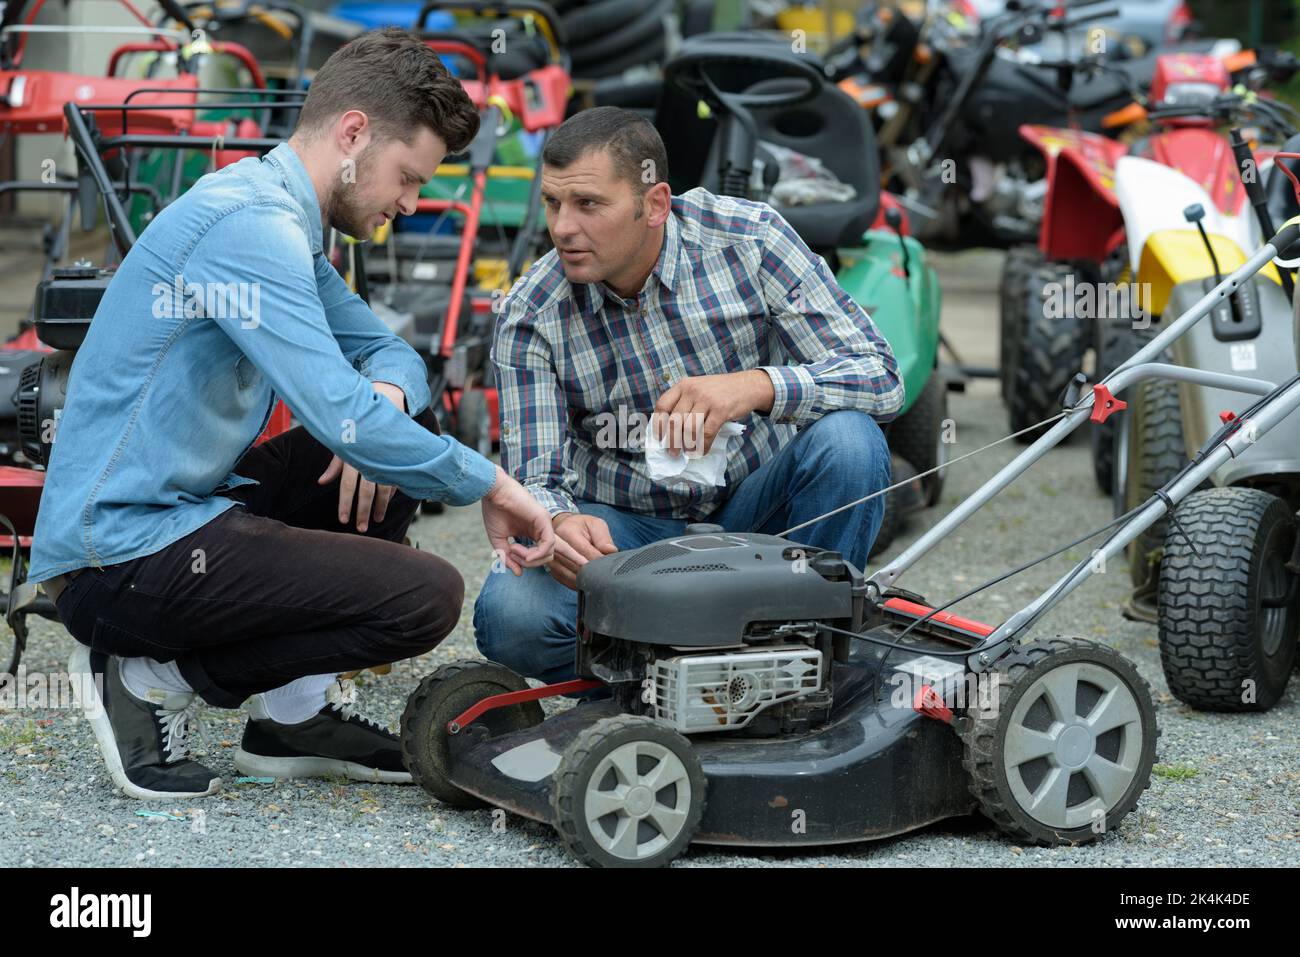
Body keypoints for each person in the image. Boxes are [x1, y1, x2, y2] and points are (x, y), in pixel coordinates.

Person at [26, 28, 557, 800]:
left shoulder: (287, 224)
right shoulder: (249, 227)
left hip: (189, 512)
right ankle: (147, 672)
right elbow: (339, 415)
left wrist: (387, 402)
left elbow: (395, 355)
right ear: (352, 134)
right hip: (116, 557)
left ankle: (292, 718)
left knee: (397, 447)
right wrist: (492, 483)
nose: (410, 204)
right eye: (408, 177)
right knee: (428, 594)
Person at [473, 106, 902, 685]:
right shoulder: (530, 313)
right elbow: (536, 478)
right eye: (553, 203)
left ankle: (808, 650)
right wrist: (560, 521)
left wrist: (758, 386)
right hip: (624, 533)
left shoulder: (751, 240)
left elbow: (881, 377)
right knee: (510, 618)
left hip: (758, 511)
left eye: (588, 204)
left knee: (850, 444)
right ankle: (668, 681)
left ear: (655, 205)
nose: (563, 228)